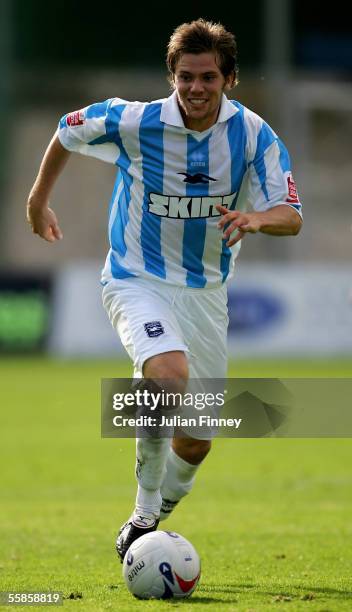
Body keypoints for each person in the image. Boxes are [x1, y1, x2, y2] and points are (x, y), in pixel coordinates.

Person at [26, 18, 302, 561]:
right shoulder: (135, 121)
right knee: (168, 377)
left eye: (208, 78)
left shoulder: (255, 136)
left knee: (196, 438)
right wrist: (38, 201)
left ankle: (156, 512)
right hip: (136, 277)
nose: (195, 89)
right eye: (185, 78)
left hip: (205, 292)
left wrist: (255, 219)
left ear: (229, 79)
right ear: (171, 76)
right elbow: (66, 129)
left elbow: (290, 216)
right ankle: (144, 511)